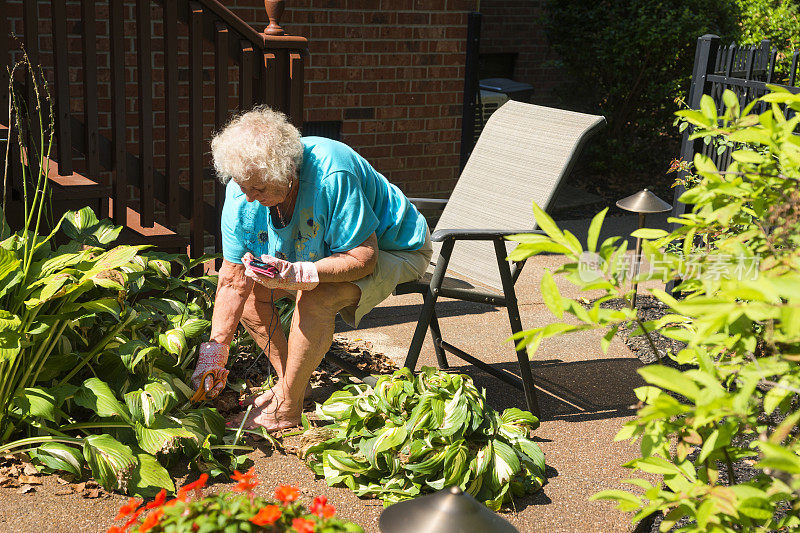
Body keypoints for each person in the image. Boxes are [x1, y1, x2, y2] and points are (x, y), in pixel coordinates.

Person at [191, 106, 432, 431]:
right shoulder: (243, 192)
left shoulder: (333, 174)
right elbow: (233, 281)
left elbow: (363, 257)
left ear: (288, 171)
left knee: (315, 296)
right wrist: (214, 354)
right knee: (250, 296)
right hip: (317, 252)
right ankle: (292, 385)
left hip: (394, 248)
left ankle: (287, 407)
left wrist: (300, 275)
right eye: (241, 186)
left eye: (258, 189)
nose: (247, 198)